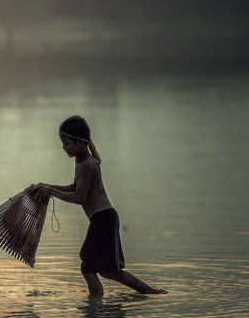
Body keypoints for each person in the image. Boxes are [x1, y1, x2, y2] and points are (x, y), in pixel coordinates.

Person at [33, 115, 166, 298]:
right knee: (109, 272)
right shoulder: (80, 161)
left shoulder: (88, 165)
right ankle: (150, 293)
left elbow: (79, 197)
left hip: (103, 219)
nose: (63, 148)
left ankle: (94, 308)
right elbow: (75, 187)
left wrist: (52, 193)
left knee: (88, 267)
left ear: (80, 142)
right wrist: (48, 186)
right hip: (102, 219)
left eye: (66, 143)